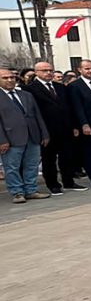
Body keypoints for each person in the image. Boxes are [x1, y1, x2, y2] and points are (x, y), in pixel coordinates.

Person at [26, 61, 83, 193]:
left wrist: (74, 126)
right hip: (46, 130)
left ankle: (69, 181)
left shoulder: (60, 87)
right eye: (44, 70)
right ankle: (53, 184)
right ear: (36, 72)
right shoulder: (30, 89)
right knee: (49, 159)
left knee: (67, 157)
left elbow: (70, 108)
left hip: (65, 128)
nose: (48, 73)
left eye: (50, 70)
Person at [0, 66, 51, 203]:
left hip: (32, 135)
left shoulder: (26, 95)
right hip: (11, 138)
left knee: (32, 165)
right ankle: (17, 192)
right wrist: (2, 140)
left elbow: (37, 116)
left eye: (12, 77)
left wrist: (44, 134)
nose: (10, 80)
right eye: (5, 78)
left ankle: (31, 190)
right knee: (12, 166)